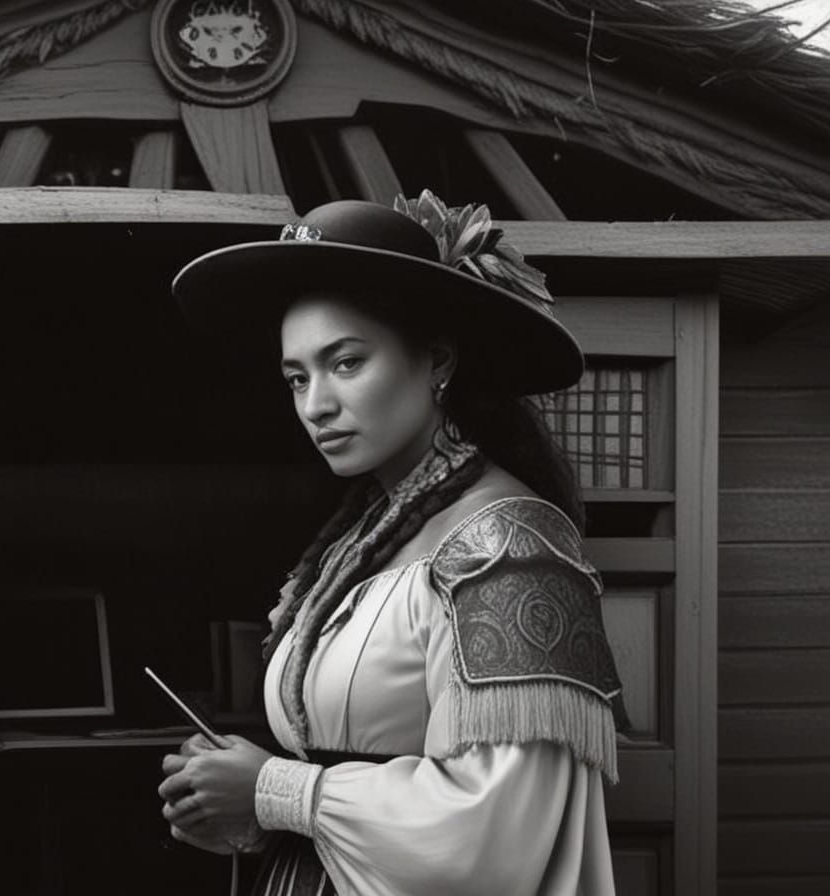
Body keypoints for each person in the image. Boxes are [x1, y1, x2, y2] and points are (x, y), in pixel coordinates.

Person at [158, 192, 628, 896]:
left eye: (345, 363)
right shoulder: (360, 542)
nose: (315, 405)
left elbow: (495, 837)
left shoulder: (508, 544)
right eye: (297, 377)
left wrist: (274, 789)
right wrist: (241, 810)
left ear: (436, 359)